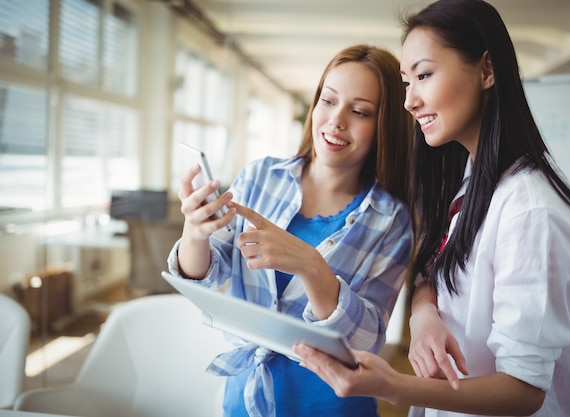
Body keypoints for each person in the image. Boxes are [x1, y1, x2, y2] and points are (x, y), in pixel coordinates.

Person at [294, 1, 570, 416]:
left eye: (424, 75)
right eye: (406, 82)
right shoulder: (473, 180)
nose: (409, 101)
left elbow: (524, 389)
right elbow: (434, 274)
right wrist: (424, 320)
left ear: (487, 71)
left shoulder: (530, 211)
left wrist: (397, 388)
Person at [167, 44, 415, 417]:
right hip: (245, 400)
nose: (336, 121)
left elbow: (367, 340)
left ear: (384, 127)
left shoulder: (390, 220)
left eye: (360, 111)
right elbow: (205, 274)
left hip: (331, 407)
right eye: (328, 101)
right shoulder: (260, 176)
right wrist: (195, 231)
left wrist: (312, 267)